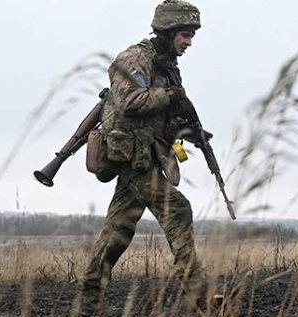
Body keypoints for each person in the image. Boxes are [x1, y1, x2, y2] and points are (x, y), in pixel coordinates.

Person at [81, 0, 209, 300]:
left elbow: (160, 116)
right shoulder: (135, 58)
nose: (189, 42)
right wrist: (170, 95)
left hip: (144, 154)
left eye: (192, 36)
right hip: (129, 154)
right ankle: (198, 293)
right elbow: (131, 102)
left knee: (118, 230)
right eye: (185, 35)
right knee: (177, 210)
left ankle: (87, 302)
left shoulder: (167, 66)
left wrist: (189, 131)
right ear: (168, 31)